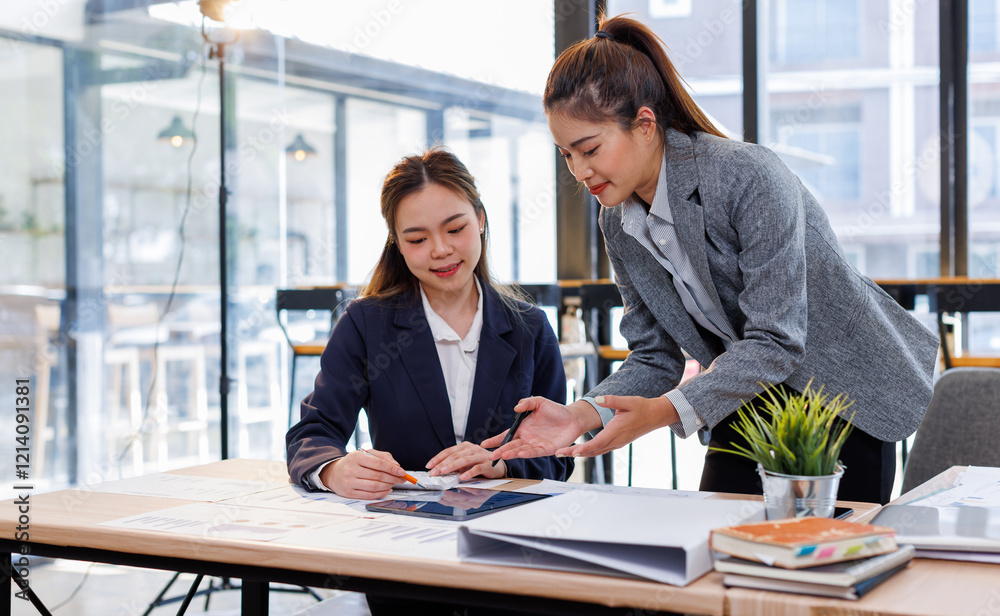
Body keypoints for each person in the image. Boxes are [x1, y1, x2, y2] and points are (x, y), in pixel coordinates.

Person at [484, 15, 938, 505]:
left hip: (843, 395)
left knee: (818, 561)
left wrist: (662, 412)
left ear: (644, 124)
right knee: (717, 551)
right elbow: (655, 356)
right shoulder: (617, 222)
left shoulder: (747, 177)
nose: (579, 170)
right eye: (566, 154)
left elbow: (777, 341)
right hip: (744, 392)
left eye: (589, 149)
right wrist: (581, 414)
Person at [286, 147, 572, 500]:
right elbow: (312, 433)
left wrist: (499, 464)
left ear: (480, 219)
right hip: (400, 527)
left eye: (455, 229)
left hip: (503, 526)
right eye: (418, 239)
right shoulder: (365, 324)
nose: (440, 249)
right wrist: (334, 469)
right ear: (397, 243)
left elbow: (557, 456)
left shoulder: (531, 329)